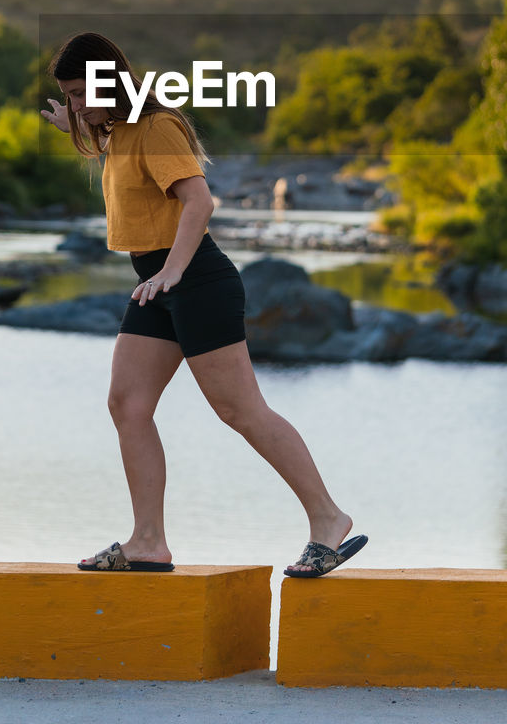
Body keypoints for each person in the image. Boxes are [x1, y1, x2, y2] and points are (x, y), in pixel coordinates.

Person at [40, 31, 367, 578]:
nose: (75, 106)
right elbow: (125, 165)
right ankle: (148, 542)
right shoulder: (119, 130)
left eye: (79, 94)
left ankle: (329, 520)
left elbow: (199, 200)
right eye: (70, 98)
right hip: (157, 284)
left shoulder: (158, 125)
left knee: (240, 410)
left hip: (194, 280)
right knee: (127, 404)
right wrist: (73, 125)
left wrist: (172, 270)